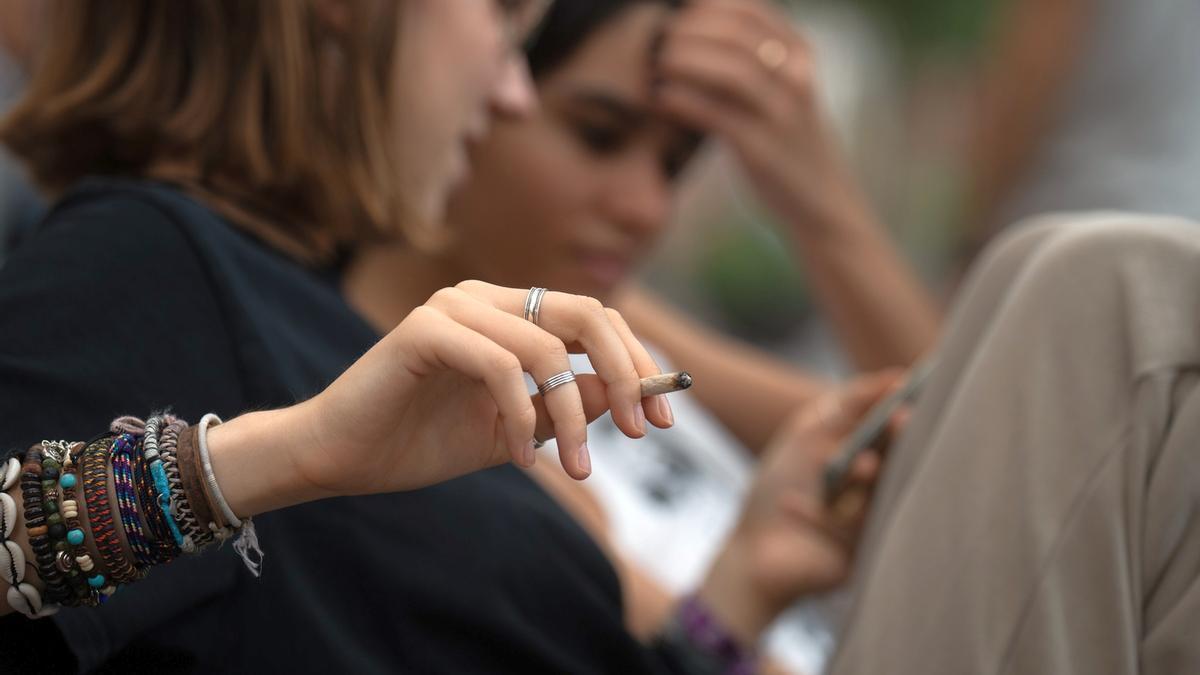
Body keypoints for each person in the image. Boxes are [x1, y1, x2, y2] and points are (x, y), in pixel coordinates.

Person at [0, 1, 885, 673]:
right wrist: (282, 456)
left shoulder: (300, 302)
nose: (509, 89)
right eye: (502, 15)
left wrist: (734, 600)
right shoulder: (140, 261)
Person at [344, 1, 933, 670]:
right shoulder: (425, 408)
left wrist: (819, 195)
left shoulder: (584, 302)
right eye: (598, 135)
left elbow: (942, 434)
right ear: (483, 84)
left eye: (676, 164)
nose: (647, 206)